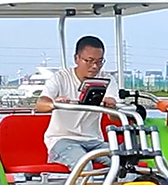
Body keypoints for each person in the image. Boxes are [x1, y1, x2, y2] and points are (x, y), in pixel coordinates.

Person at [35, 35, 119, 170]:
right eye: (89, 61)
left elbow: (114, 118)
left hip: (94, 141)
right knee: (84, 166)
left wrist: (112, 106)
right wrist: (55, 103)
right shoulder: (61, 78)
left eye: (99, 61)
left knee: (122, 162)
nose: (95, 66)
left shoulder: (106, 80)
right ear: (77, 58)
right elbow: (40, 104)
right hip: (62, 140)